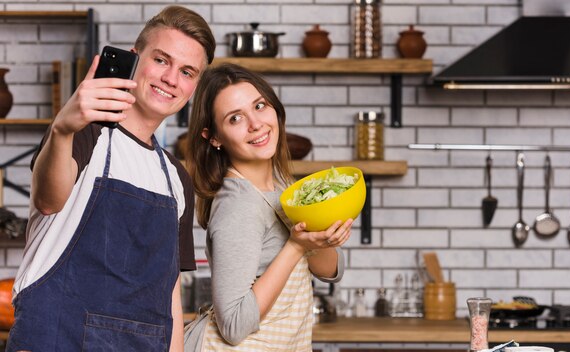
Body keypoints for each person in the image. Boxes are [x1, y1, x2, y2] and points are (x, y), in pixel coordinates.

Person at [7, 5, 215, 352]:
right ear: (135, 58)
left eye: (187, 71)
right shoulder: (83, 133)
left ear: (193, 86)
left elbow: (170, 295)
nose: (171, 79)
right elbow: (47, 200)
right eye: (161, 60)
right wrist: (62, 128)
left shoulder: (176, 178)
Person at [186, 63, 353, 351]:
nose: (256, 124)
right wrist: (296, 247)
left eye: (259, 106)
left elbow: (330, 270)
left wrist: (321, 239)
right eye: (235, 118)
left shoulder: (282, 187)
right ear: (214, 137)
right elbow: (234, 326)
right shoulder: (237, 205)